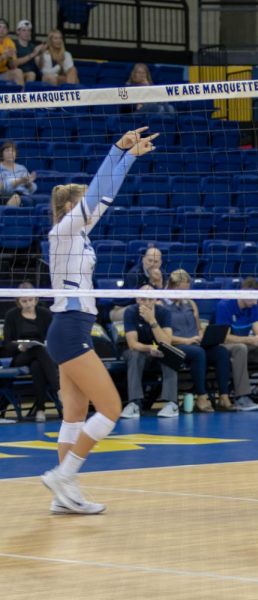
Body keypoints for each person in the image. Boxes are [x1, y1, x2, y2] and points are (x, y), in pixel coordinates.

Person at [41, 127, 156, 514]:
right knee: (111, 407)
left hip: (67, 328)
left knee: (74, 415)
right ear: (69, 208)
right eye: (82, 205)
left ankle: (63, 495)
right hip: (71, 328)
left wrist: (128, 157)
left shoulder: (78, 237)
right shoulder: (64, 231)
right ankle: (64, 474)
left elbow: (102, 196)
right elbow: (100, 195)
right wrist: (120, 151)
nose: (90, 212)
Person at [163, 270, 231, 413]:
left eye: (186, 290)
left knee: (221, 352)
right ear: (171, 287)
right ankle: (201, 396)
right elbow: (164, 338)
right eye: (181, 290)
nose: (184, 294)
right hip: (177, 345)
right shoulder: (161, 305)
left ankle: (224, 396)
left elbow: (198, 328)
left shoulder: (191, 303)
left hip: (195, 343)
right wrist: (187, 340)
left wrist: (202, 336)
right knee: (198, 353)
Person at [215, 277, 258, 411]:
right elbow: (224, 337)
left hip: (245, 345)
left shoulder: (254, 307)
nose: (255, 301)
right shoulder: (224, 306)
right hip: (224, 346)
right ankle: (242, 397)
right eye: (252, 297)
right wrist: (250, 340)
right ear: (242, 293)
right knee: (240, 348)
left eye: (256, 297)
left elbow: (257, 331)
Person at [120, 285, 179, 419]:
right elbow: (132, 344)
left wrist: (152, 320)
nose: (146, 303)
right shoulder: (130, 312)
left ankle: (171, 403)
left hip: (159, 351)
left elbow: (166, 342)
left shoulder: (164, 313)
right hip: (140, 350)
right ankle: (134, 403)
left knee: (170, 353)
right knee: (134, 355)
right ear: (137, 300)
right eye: (143, 299)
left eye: (150, 299)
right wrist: (149, 348)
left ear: (155, 300)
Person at [3, 282, 58, 423]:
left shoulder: (45, 314)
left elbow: (53, 337)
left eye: (30, 300)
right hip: (20, 356)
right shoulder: (11, 316)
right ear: (18, 302)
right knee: (37, 350)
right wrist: (19, 347)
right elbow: (7, 344)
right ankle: (58, 388)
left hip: (43, 356)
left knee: (37, 366)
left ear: (36, 299)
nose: (28, 304)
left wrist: (47, 344)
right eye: (24, 301)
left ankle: (40, 410)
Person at [0, 19, 25, 85]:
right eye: (0, 27)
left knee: (18, 72)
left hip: (3, 73)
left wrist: (10, 58)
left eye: (4, 27)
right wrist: (3, 57)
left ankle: (22, 94)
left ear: (7, 31)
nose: (1, 30)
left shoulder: (9, 42)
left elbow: (13, 66)